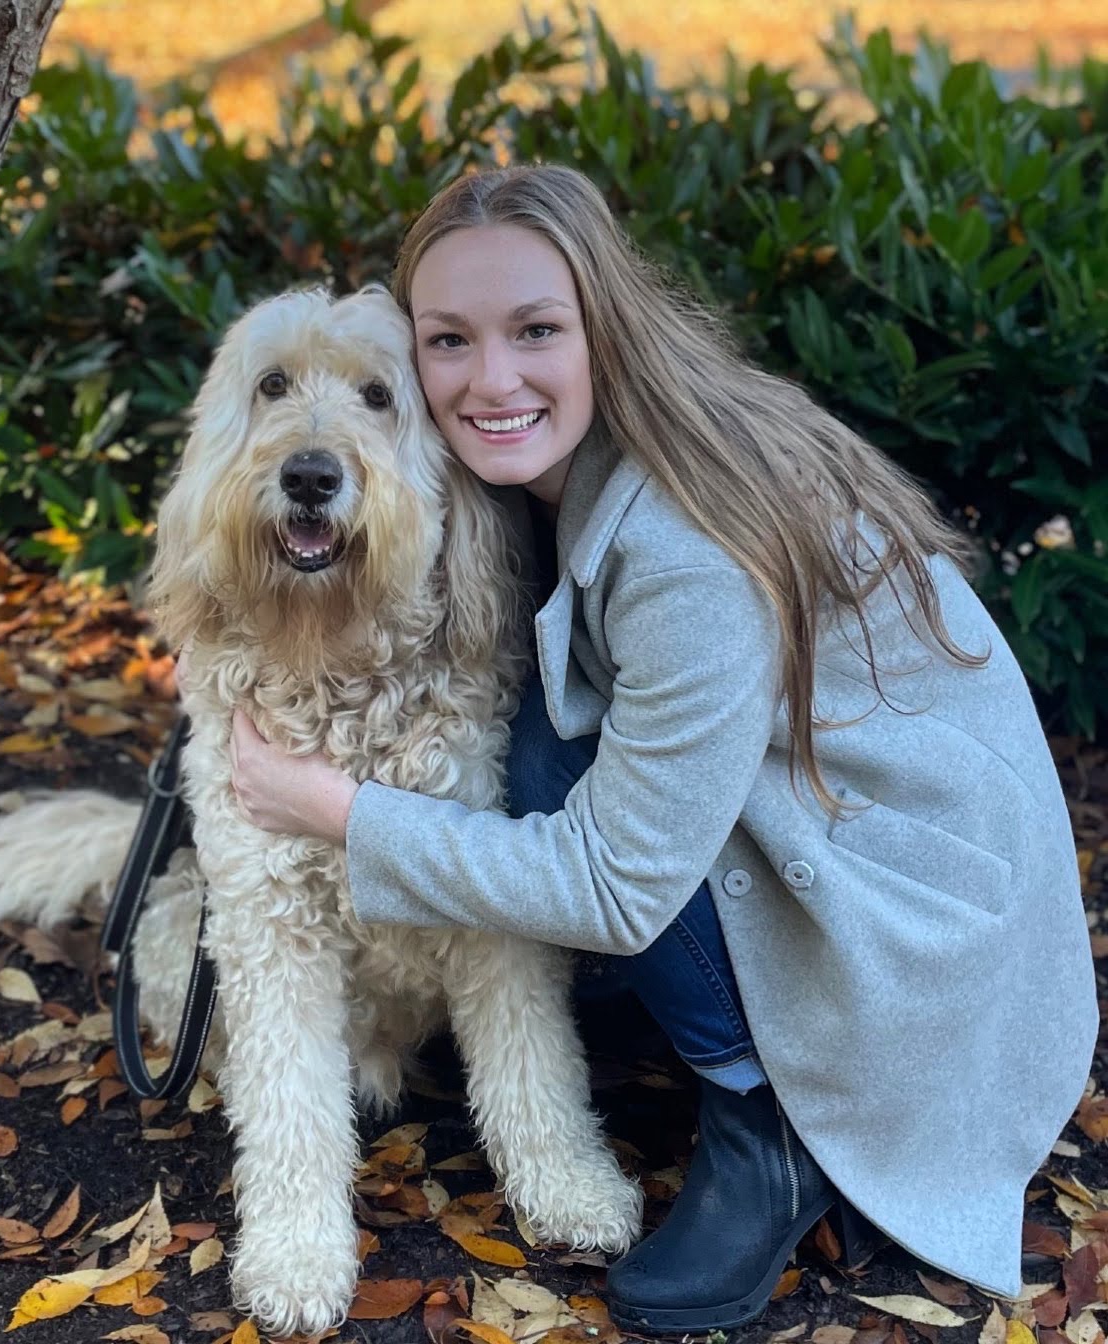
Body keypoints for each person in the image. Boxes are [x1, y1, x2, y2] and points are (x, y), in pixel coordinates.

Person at [224, 162, 1097, 1333]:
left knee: (543, 766)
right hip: (860, 836)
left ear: (607, 325)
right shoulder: (582, 463)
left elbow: (614, 881)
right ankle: (717, 1026)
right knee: (549, 737)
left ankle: (763, 1121)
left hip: (927, 956)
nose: (490, 381)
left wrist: (327, 807)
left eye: (536, 329)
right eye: (447, 341)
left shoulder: (684, 547)